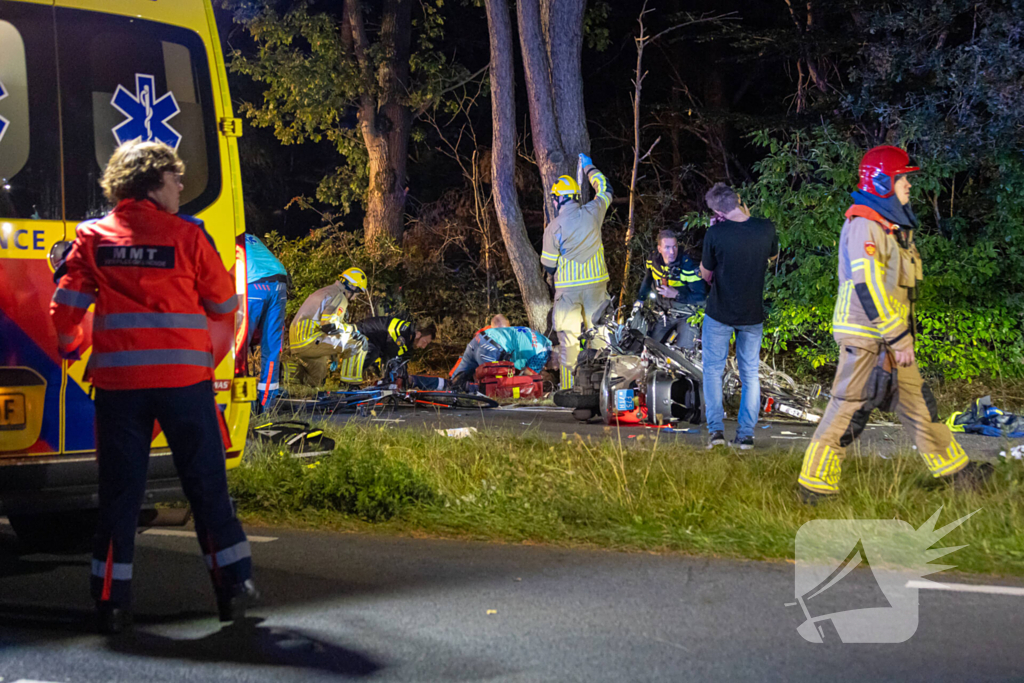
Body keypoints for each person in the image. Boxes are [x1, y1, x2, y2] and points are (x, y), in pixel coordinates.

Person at [50, 140, 256, 634]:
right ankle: (232, 590)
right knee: (206, 488)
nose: (181, 186)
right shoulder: (188, 235)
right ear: (151, 181)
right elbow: (224, 304)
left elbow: (65, 308)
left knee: (120, 496)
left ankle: (111, 603)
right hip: (185, 384)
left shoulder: (93, 236)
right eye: (174, 178)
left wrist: (71, 345)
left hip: (119, 388)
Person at [797, 146, 990, 502]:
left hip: (891, 340)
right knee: (848, 409)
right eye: (903, 179)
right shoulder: (865, 225)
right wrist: (899, 337)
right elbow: (868, 286)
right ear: (883, 182)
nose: (909, 186)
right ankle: (814, 486)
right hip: (868, 338)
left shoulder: (891, 228)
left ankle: (957, 472)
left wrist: (900, 339)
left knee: (920, 407)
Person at [699, 182, 779, 450]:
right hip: (752, 313)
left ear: (717, 212)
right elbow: (772, 256)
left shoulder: (715, 233)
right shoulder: (766, 228)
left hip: (719, 312)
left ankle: (716, 433)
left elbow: (705, 274)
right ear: (739, 200)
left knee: (713, 371)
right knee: (750, 374)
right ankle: (745, 436)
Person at [541, 153, 613, 390]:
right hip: (596, 286)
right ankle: (601, 388)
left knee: (569, 342)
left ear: (559, 200)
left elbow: (549, 265)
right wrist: (589, 167)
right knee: (599, 337)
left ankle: (570, 390)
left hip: (568, 291)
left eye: (554, 200)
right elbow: (606, 189)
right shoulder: (594, 211)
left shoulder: (553, 228)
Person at [288, 268, 368, 387]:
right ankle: (350, 385)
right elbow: (330, 325)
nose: (355, 297)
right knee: (358, 342)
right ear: (352, 287)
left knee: (316, 381)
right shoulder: (339, 296)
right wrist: (352, 329)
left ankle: (285, 372)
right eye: (358, 293)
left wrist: (333, 353)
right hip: (310, 339)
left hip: (298, 341)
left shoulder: (326, 291)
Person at [634, 230, 707, 350]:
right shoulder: (653, 260)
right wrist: (640, 299)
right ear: (659, 249)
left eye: (674, 247)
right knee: (650, 348)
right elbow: (647, 279)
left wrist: (677, 294)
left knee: (684, 354)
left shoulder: (688, 265)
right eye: (667, 247)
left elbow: (701, 297)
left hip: (687, 315)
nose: (672, 252)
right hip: (664, 314)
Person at [244, 233, 288, 412]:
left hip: (253, 284)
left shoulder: (223, 235)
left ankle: (244, 400)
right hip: (280, 283)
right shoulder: (251, 237)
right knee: (271, 347)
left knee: (239, 346)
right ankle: (267, 404)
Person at [336, 316, 436, 385]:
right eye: (425, 342)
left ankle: (352, 383)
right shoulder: (402, 333)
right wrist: (395, 377)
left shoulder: (409, 341)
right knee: (373, 352)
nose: (424, 347)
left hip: (376, 342)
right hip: (360, 333)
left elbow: (403, 362)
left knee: (378, 354)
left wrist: (404, 379)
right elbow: (392, 355)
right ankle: (348, 383)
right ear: (418, 334)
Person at [449, 326, 555, 388]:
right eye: (558, 366)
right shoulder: (544, 352)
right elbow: (526, 379)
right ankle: (469, 390)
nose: (555, 369)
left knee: (453, 381)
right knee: (492, 387)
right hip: (492, 348)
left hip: (479, 339)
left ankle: (443, 390)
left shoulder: (538, 337)